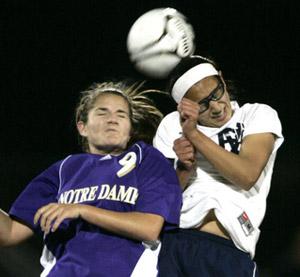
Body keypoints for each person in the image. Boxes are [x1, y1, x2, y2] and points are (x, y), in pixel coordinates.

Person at [0, 81, 182, 277]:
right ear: (82, 127)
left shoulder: (146, 159)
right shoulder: (63, 170)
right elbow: (10, 233)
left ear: (130, 131)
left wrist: (82, 210)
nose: (113, 119)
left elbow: (149, 228)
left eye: (121, 114)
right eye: (102, 112)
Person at [153, 55, 284, 276]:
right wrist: (183, 170)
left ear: (222, 79)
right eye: (202, 105)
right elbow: (161, 203)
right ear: (183, 107)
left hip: (230, 250)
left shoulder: (257, 115)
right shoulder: (170, 125)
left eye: (217, 93)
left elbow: (247, 175)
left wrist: (194, 134)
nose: (216, 107)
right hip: (176, 242)